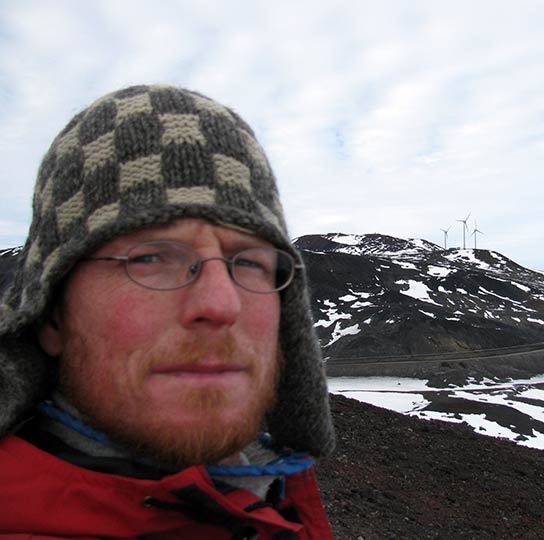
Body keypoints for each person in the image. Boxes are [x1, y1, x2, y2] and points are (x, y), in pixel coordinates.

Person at [0, 85, 335, 539]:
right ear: (52, 314)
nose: (220, 304)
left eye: (250, 263)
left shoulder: (278, 499)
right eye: (150, 257)